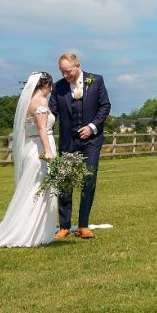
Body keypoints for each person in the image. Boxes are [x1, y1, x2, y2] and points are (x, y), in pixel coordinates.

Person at [0, 72, 59, 248]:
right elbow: (42, 129)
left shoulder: (28, 102)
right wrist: (49, 151)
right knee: (38, 191)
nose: (50, 91)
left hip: (31, 147)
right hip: (40, 150)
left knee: (34, 190)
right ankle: (29, 232)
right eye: (50, 87)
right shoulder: (41, 102)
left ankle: (36, 230)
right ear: (46, 86)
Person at [50, 52, 111, 239]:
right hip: (68, 142)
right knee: (65, 182)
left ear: (77, 65)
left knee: (89, 179)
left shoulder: (96, 80)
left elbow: (105, 106)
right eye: (62, 72)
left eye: (68, 71)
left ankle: (83, 225)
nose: (65, 76)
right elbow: (51, 112)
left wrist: (92, 127)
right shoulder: (58, 87)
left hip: (91, 141)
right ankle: (64, 226)